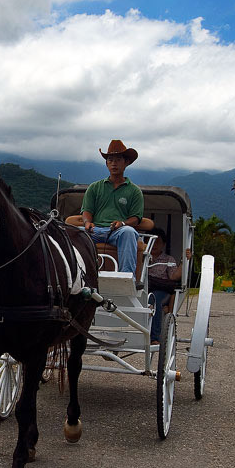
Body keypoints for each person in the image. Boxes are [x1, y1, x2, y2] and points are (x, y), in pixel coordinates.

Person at [80, 139, 144, 275]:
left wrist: (122, 223)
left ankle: (126, 277)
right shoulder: (94, 187)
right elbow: (87, 211)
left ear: (126, 162)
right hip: (95, 230)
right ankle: (76, 275)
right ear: (106, 163)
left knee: (129, 232)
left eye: (118, 159)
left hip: (117, 232)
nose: (114, 163)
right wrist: (87, 223)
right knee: (74, 233)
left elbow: (136, 218)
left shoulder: (134, 191)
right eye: (110, 160)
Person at [148, 228, 191, 344]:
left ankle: (155, 337)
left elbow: (173, 277)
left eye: (158, 242)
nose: (155, 245)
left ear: (163, 244)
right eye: (152, 241)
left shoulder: (168, 259)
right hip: (145, 288)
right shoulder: (142, 257)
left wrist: (184, 261)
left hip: (162, 290)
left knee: (153, 299)